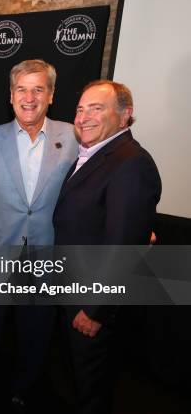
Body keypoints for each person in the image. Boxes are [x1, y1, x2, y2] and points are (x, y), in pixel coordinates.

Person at [0, 59, 78, 412]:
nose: (30, 97)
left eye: (38, 89)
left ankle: (24, 389)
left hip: (45, 254)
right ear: (11, 96)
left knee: (36, 331)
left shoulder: (72, 136)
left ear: (51, 95)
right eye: (22, 89)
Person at [53, 80, 161, 414]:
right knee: (76, 383)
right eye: (80, 109)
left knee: (92, 392)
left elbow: (123, 247)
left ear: (125, 115)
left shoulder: (131, 163)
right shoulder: (96, 154)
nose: (83, 117)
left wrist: (96, 310)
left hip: (91, 305)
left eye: (96, 109)